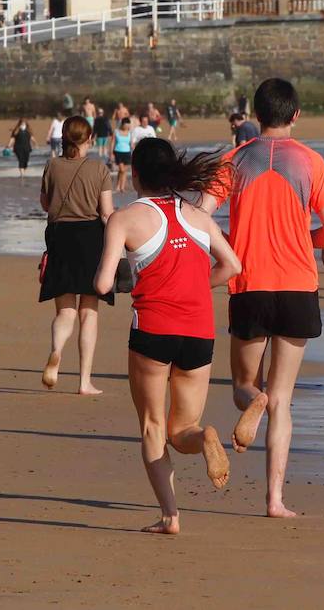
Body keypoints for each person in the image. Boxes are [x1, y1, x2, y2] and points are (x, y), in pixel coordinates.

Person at [199, 78, 324, 519]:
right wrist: (307, 237)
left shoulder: (236, 159)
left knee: (247, 385)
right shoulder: (313, 162)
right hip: (299, 285)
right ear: (295, 115)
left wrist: (225, 242)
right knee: (284, 400)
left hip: (250, 282)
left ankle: (252, 402)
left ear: (256, 115)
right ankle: (275, 501)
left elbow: (199, 216)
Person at [93, 138, 240, 534]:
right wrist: (195, 287)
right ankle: (205, 435)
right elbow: (232, 265)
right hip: (199, 333)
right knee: (182, 430)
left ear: (135, 175)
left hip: (153, 331)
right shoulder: (197, 214)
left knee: (153, 427)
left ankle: (170, 516)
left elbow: (105, 283)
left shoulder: (124, 219)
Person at [38, 116, 115, 396]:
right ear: (90, 138)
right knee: (88, 312)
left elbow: (46, 203)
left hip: (60, 237)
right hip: (90, 238)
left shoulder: (52, 165)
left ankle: (57, 351)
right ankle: (84, 382)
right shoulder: (98, 168)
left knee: (65, 311)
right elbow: (106, 213)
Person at [112, 117, 133, 192]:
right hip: (118, 152)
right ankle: (119, 186)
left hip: (127, 153)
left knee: (123, 171)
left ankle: (121, 187)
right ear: (122, 124)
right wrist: (111, 153)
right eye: (126, 125)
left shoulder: (130, 132)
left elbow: (131, 144)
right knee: (121, 169)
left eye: (128, 125)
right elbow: (113, 142)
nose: (127, 127)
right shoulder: (116, 131)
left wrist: (134, 152)